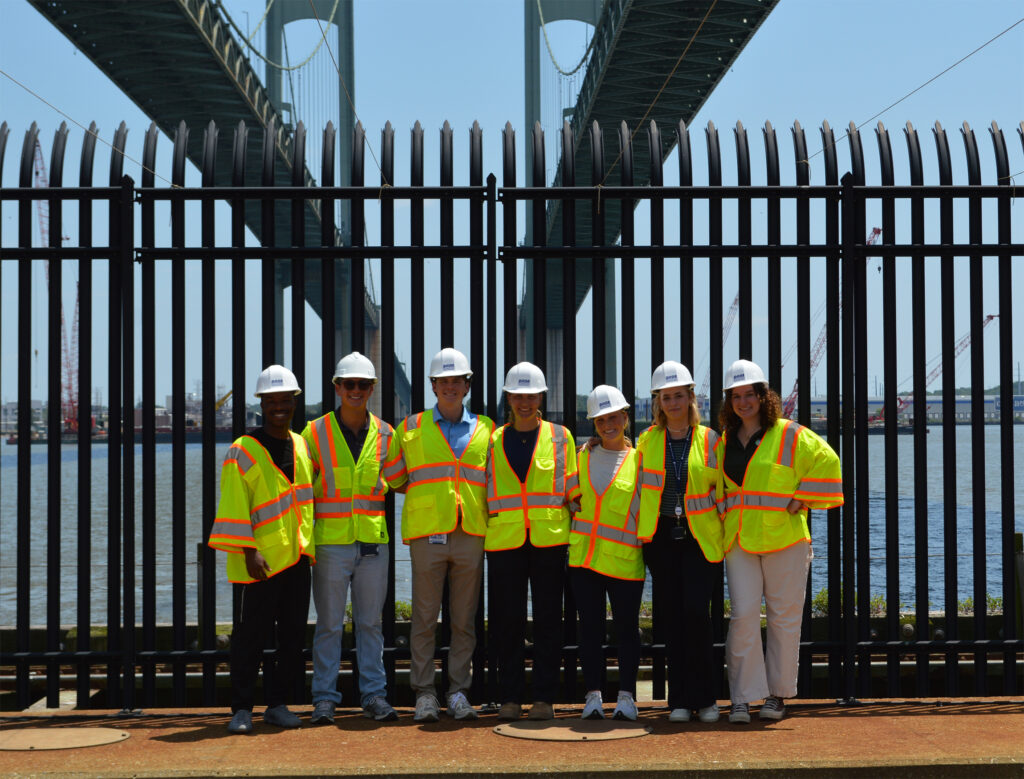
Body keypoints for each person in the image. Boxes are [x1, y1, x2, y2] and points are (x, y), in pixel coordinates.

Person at [717, 359, 844, 724]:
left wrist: (802, 497)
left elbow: (828, 461)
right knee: (742, 616)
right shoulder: (724, 440)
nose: (743, 402)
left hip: (785, 539)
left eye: (750, 394)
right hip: (740, 539)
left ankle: (776, 695)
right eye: (736, 396)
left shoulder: (790, 433)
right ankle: (742, 697)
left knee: (783, 619)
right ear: (729, 400)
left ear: (763, 396)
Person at [208, 365, 316, 734]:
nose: (280, 407)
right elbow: (235, 506)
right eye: (273, 401)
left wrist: (306, 548)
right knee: (249, 638)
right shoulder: (242, 450)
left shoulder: (301, 445)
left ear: (294, 402)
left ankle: (278, 704)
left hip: (296, 559)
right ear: (262, 403)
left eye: (285, 400)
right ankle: (241, 708)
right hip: (258, 563)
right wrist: (248, 550)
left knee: (290, 638)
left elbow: (304, 502)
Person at [391, 347, 494, 722]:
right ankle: (424, 693)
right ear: (433, 386)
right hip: (427, 532)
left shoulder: (487, 429)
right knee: (423, 616)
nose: (450, 386)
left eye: (457, 380)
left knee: (464, 619)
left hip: (471, 532)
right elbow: (394, 477)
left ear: (467, 385)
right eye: (443, 381)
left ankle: (458, 692)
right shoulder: (410, 427)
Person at [302, 352, 405, 725]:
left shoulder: (387, 434)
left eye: (363, 385)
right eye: (349, 385)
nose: (356, 391)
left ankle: (374, 696)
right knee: (329, 625)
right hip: (330, 543)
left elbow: (405, 479)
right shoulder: (314, 433)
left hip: (373, 543)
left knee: (370, 624)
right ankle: (324, 699)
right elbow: (299, 488)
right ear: (337, 388)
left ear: (372, 389)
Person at [485, 362, 577, 721]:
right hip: (505, 540)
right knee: (506, 622)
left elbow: (573, 483)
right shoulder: (492, 440)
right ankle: (509, 696)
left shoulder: (561, 437)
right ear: (508, 397)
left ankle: (543, 698)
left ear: (541, 397)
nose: (525, 402)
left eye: (531, 395)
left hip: (549, 540)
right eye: (518, 395)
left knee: (549, 622)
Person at [635, 361, 724, 723]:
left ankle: (706, 699)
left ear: (691, 397)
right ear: (658, 401)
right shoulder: (647, 440)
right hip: (661, 539)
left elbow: (725, 489)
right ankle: (679, 701)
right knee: (671, 618)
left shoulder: (710, 439)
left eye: (678, 396)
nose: (672, 403)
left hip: (698, 539)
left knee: (696, 616)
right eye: (665, 397)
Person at [567, 384, 644, 721]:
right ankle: (593, 696)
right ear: (593, 424)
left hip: (625, 560)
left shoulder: (640, 461)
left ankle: (627, 697)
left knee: (628, 630)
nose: (608, 424)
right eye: (600, 420)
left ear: (625, 418)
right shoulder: (580, 456)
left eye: (613, 417)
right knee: (590, 631)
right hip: (584, 560)